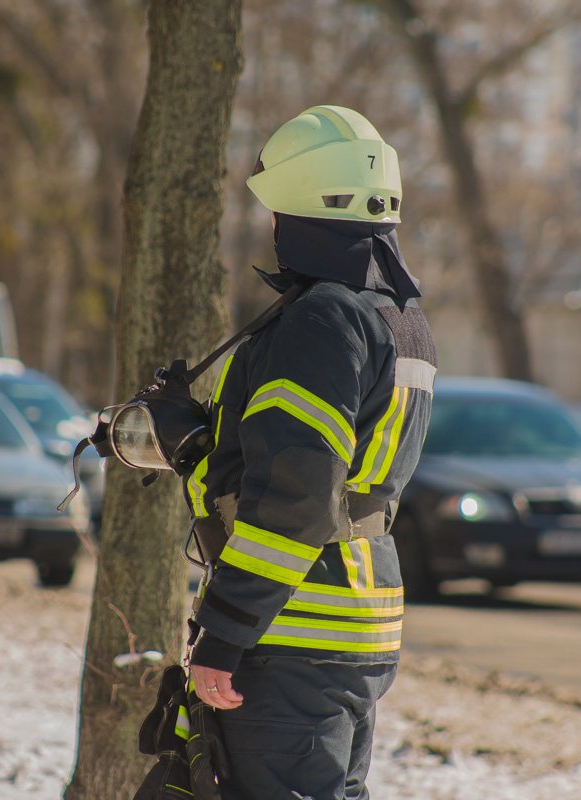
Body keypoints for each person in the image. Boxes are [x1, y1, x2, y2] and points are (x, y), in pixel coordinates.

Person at [183, 105, 436, 799]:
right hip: (355, 625)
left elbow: (299, 497)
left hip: (292, 628)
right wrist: (204, 443)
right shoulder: (398, 317)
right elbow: (343, 477)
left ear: (295, 214)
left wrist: (225, 632)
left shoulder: (321, 320)